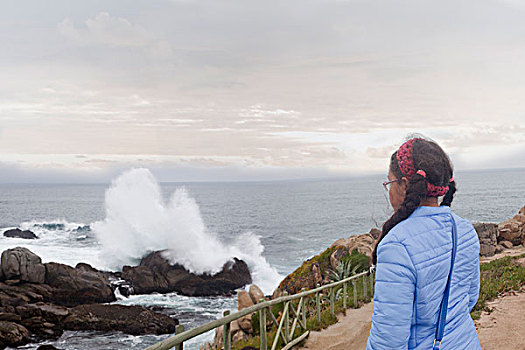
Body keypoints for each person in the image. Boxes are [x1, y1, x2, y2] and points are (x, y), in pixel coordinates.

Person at [366, 136, 482, 349]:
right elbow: (470, 297)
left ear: (404, 185)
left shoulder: (396, 247)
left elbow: (389, 342)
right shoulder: (464, 229)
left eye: (389, 183)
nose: (389, 190)